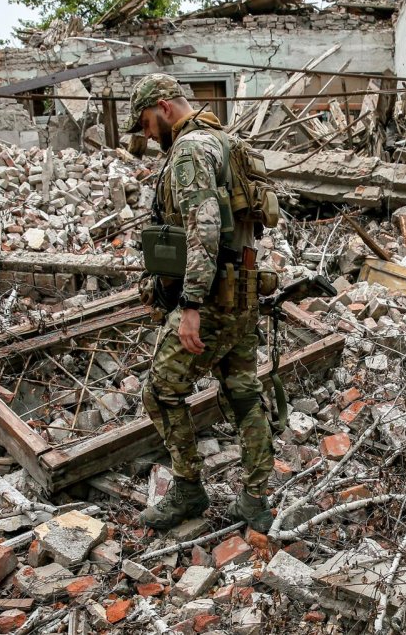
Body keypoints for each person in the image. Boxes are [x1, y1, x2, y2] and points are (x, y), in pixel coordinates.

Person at [123, 73, 274, 533]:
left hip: (210, 300)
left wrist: (190, 305)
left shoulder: (190, 151)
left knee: (161, 391)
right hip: (242, 291)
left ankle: (188, 490)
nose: (147, 135)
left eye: (147, 123)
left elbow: (204, 227)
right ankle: (255, 502)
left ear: (165, 107)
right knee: (243, 393)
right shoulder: (225, 143)